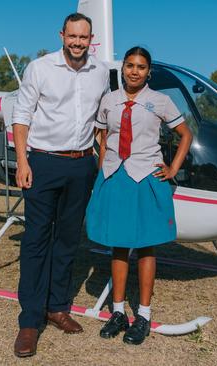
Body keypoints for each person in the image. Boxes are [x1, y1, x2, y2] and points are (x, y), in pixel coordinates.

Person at [11, 13, 110, 357]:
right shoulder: (39, 68)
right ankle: (29, 320)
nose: (78, 43)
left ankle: (56, 308)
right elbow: (21, 116)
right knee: (36, 240)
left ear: (91, 39)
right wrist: (22, 162)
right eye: (72, 37)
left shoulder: (100, 73)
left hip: (82, 164)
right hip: (43, 162)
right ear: (62, 35)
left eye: (84, 38)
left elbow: (102, 121)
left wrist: (102, 162)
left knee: (68, 240)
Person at [86, 46, 192, 345]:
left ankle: (143, 314)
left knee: (146, 247)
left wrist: (172, 167)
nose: (134, 71)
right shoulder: (109, 100)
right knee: (118, 246)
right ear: (123, 69)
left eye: (141, 67)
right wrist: (103, 167)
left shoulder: (160, 101)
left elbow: (186, 134)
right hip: (116, 176)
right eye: (130, 66)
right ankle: (118, 312)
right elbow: (103, 136)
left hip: (146, 175)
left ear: (149, 71)